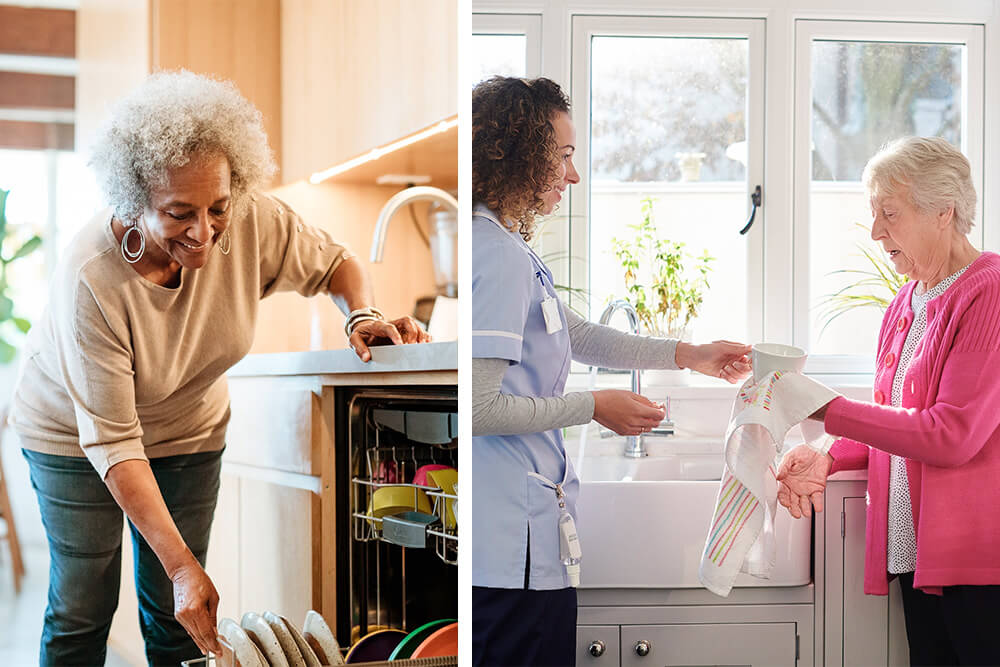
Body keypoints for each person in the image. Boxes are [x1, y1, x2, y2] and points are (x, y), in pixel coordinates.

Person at [9, 70, 428, 666]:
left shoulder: (251, 220)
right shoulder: (91, 277)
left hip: (188, 433)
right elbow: (115, 442)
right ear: (133, 201)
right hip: (74, 441)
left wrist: (360, 314)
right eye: (179, 212)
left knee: (176, 617)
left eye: (218, 208)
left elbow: (336, 262)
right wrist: (182, 568)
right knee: (83, 606)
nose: (204, 232)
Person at [471, 76, 753, 667]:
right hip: (509, 551)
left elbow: (577, 334)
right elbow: (478, 408)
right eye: (564, 156)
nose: (572, 175)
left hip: (522, 544)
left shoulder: (505, 245)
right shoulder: (494, 252)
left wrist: (690, 354)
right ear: (523, 154)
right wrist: (593, 406)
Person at [776, 136, 1000, 666]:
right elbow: (899, 423)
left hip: (978, 564)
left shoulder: (989, 292)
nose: (876, 232)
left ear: (943, 212)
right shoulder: (908, 299)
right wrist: (831, 453)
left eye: (890, 215)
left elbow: (949, 435)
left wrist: (819, 407)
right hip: (916, 554)